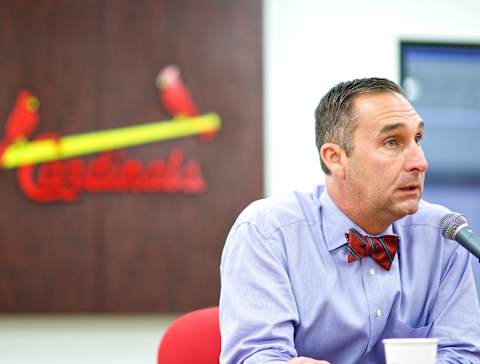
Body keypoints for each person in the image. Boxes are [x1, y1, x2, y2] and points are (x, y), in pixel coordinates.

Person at [219, 78, 480, 363]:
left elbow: (462, 354)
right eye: (392, 142)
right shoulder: (268, 231)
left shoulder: (443, 234)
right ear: (335, 158)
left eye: (417, 139)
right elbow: (257, 356)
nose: (420, 162)